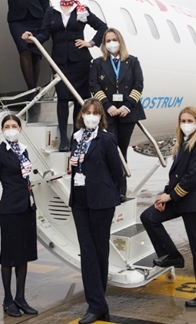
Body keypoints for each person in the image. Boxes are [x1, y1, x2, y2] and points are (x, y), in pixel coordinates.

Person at [139, 107, 196, 308]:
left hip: (192, 203)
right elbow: (176, 176)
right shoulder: (182, 144)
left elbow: (192, 178)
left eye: (190, 120)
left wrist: (170, 196)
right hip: (179, 199)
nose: (186, 124)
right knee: (149, 217)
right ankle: (171, 255)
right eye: (183, 120)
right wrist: (164, 196)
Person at [22, 0, 108, 151]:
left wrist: (90, 43)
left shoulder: (82, 10)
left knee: (79, 100)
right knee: (62, 99)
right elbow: (45, 33)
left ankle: (77, 137)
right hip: (60, 62)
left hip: (80, 61)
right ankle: (63, 139)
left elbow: (102, 27)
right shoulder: (51, 12)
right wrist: (33, 39)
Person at [68, 98, 126, 324]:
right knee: (87, 252)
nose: (90, 116)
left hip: (101, 202)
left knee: (100, 253)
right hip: (79, 201)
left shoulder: (106, 139)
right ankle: (97, 305)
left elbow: (117, 172)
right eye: (87, 112)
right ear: (81, 115)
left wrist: (105, 190)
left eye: (95, 113)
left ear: (101, 117)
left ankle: (97, 305)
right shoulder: (76, 138)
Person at [0, 115, 39, 317]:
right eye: (7, 126)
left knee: (23, 254)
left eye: (14, 126)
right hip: (9, 210)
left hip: (26, 208)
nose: (10, 129)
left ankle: (20, 298)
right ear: (1, 130)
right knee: (8, 256)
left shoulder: (23, 150)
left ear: (20, 129)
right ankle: (8, 299)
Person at [89, 27, 146, 164]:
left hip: (128, 111)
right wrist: (108, 106)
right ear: (104, 44)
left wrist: (127, 106)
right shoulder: (98, 63)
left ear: (120, 41)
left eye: (114, 40)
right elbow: (94, 86)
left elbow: (138, 85)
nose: (111, 43)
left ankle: (121, 183)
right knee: (111, 149)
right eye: (108, 40)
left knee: (123, 150)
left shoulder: (132, 61)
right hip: (107, 112)